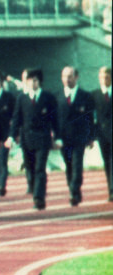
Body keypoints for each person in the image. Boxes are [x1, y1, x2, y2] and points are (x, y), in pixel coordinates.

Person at [7, 67, 59, 211]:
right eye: (29, 80)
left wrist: (58, 137)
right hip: (27, 139)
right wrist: (11, 137)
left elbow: (55, 120)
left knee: (40, 168)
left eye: (35, 80)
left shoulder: (48, 97)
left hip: (42, 139)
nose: (32, 83)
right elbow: (16, 119)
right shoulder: (22, 98)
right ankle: (35, 188)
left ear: (39, 82)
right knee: (30, 168)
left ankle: (39, 198)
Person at [57, 66, 95, 207]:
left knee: (77, 165)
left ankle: (74, 191)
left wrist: (91, 137)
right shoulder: (57, 96)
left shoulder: (85, 96)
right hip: (63, 138)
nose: (67, 79)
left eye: (70, 76)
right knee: (69, 165)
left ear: (76, 77)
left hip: (79, 137)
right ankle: (73, 189)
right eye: (64, 76)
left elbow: (90, 118)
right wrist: (54, 136)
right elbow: (54, 119)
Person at [96, 66, 112, 201]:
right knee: (107, 162)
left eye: (107, 77)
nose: (104, 79)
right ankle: (110, 189)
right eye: (102, 77)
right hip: (102, 134)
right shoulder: (94, 95)